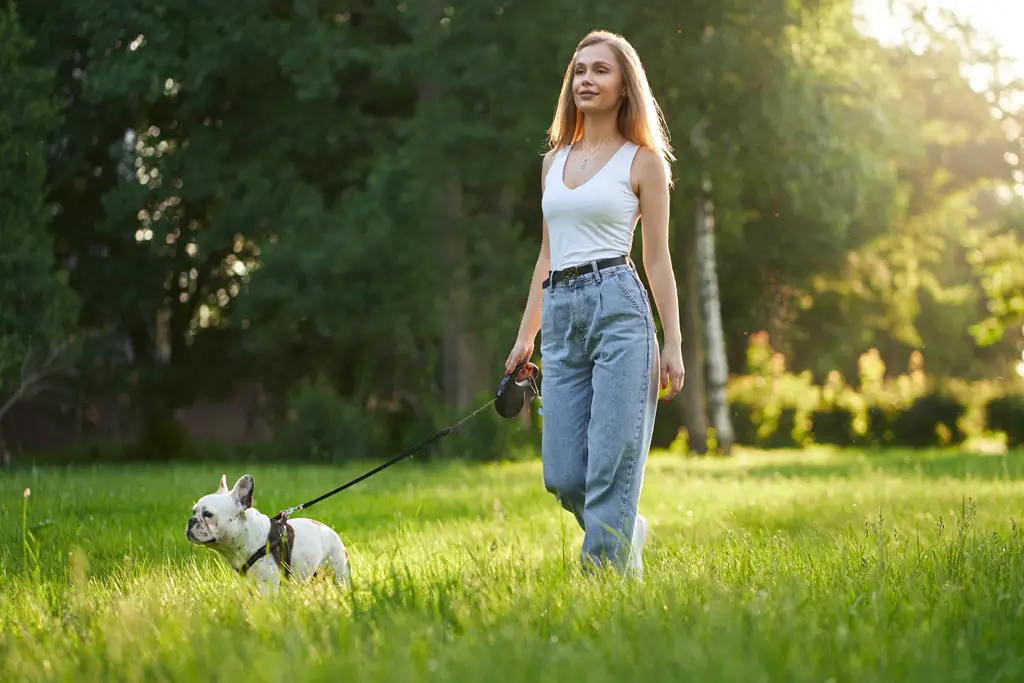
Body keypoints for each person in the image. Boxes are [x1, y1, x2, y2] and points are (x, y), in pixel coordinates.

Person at [504, 29, 684, 580]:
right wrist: (524, 335)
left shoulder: (644, 163)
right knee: (562, 474)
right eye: (579, 70)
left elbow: (657, 261)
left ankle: (602, 593)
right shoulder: (553, 161)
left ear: (625, 85)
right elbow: (545, 256)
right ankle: (626, 528)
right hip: (559, 311)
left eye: (601, 70)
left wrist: (673, 343)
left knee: (611, 465)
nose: (587, 79)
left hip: (619, 308)